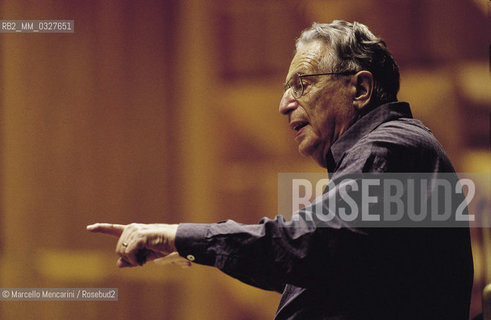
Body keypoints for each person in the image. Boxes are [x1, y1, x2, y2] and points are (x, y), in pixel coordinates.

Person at [87, 21, 474, 319]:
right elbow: (303, 263)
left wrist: (179, 236)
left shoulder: (390, 148)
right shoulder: (390, 152)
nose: (284, 104)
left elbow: (306, 246)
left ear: (360, 89)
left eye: (301, 84)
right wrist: (188, 247)